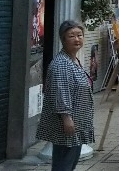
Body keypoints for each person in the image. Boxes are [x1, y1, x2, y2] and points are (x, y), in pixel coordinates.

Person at [36, 20, 94, 171]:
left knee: (69, 162)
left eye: (79, 35)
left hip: (76, 123)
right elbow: (61, 92)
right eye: (71, 36)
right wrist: (66, 118)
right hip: (66, 125)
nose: (77, 39)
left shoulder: (73, 60)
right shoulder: (61, 64)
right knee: (64, 164)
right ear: (63, 39)